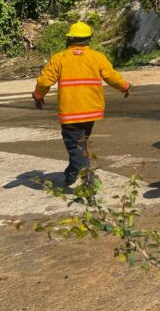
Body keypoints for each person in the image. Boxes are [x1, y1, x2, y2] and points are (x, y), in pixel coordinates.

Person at [32, 21, 131, 187]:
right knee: (79, 143)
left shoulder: (59, 58)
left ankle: (88, 178)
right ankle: (71, 173)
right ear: (88, 39)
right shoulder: (97, 57)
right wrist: (125, 86)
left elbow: (44, 81)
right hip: (91, 110)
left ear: (69, 39)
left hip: (71, 112)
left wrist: (37, 95)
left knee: (74, 145)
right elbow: (112, 76)